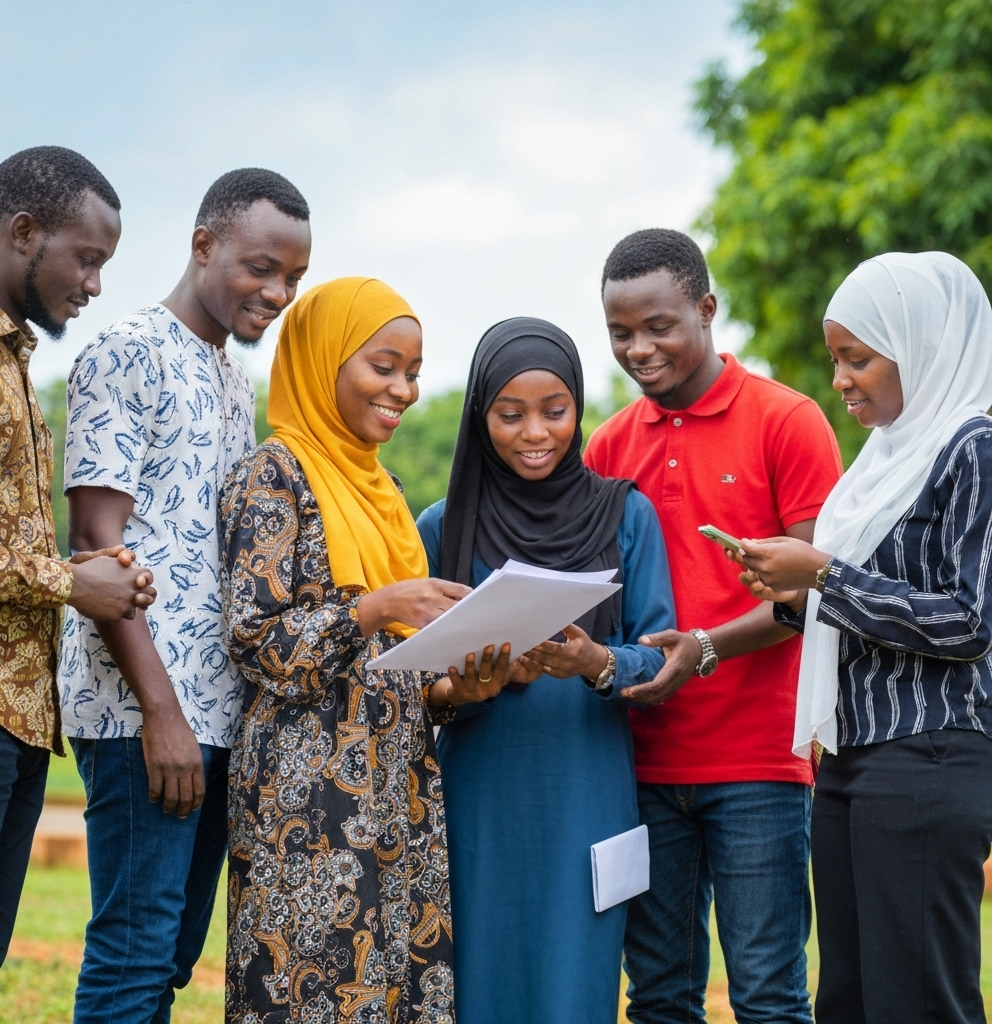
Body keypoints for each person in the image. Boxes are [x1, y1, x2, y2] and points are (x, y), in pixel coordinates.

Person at [57, 168, 312, 1024]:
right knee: (133, 954)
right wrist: (161, 712)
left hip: (214, 713)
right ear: (203, 246)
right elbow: (97, 545)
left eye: (293, 279)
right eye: (260, 268)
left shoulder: (233, 381)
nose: (276, 293)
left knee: (165, 961)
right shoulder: (126, 348)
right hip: (142, 710)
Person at [220, 276, 509, 1024]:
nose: (404, 388)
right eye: (384, 366)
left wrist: (458, 692)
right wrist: (380, 605)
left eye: (413, 372)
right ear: (324, 360)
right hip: (303, 797)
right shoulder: (272, 476)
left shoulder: (384, 492)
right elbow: (258, 644)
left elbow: (395, 672)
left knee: (395, 985)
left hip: (396, 787)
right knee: (308, 987)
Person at [584, 229, 843, 1024]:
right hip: (640, 764)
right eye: (620, 332)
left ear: (706, 309)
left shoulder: (787, 421)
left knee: (768, 994)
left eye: (658, 326)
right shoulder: (608, 446)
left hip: (758, 763)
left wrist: (704, 648)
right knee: (659, 996)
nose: (639, 348)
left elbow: (812, 589)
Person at [737, 251, 992, 1024]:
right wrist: (794, 595)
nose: (842, 379)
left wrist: (824, 577)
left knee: (919, 1000)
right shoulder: (880, 463)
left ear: (921, 346)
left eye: (859, 358)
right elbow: (858, 603)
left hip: (931, 750)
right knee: (849, 1000)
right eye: (836, 360)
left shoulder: (973, 448)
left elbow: (970, 622)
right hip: (853, 758)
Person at [415, 317, 676, 1024]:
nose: (535, 432)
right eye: (510, 414)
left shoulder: (626, 515)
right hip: (480, 795)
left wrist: (596, 662)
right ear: (481, 416)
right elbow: (415, 684)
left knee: (576, 983)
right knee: (480, 980)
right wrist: (474, 685)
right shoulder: (443, 527)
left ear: (578, 408)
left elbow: (659, 655)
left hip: (588, 786)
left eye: (554, 412)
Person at [0, 146, 157, 1024]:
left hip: (12, 715)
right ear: (22, 232)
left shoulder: (11, 362)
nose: (93, 284)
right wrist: (66, 583)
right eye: (86, 258)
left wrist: (87, 575)